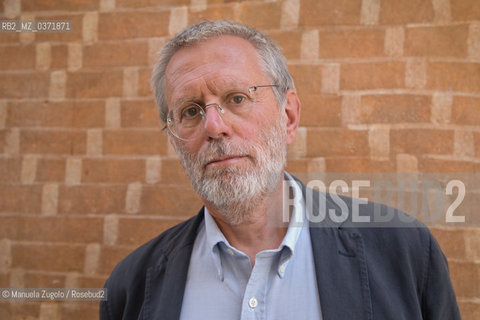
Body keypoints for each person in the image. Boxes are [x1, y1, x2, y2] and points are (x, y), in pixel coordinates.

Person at [100, 20, 460, 320]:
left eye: (236, 98)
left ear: (288, 116)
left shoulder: (405, 252)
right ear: (175, 137)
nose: (214, 126)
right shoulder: (130, 288)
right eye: (190, 111)